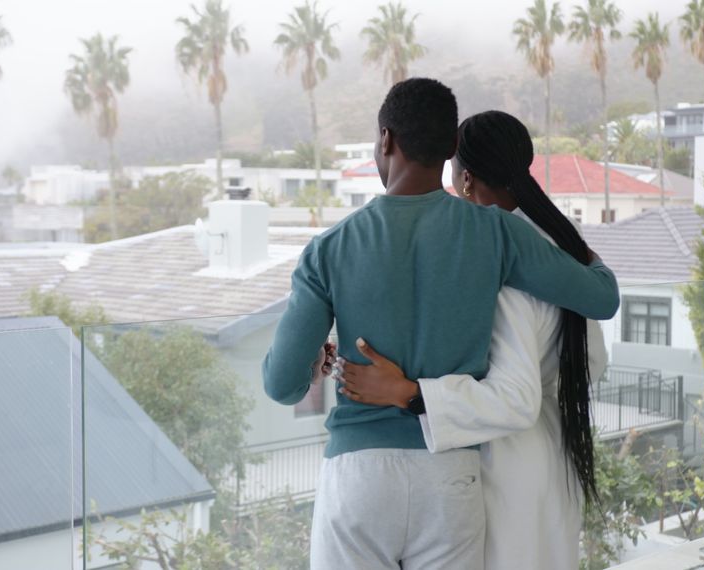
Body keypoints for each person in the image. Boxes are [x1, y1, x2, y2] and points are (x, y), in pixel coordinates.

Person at [262, 79, 619, 570]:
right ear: (452, 147)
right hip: (451, 477)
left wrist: (311, 363)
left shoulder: (328, 249)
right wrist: (577, 246)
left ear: (385, 140)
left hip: (359, 476)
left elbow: (281, 385)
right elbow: (602, 298)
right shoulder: (497, 232)